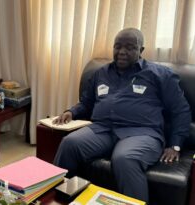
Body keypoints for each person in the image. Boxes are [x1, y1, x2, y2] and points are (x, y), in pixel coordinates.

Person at [53, 28, 191, 202]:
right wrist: (71, 112)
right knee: (69, 143)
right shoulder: (101, 73)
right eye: (117, 46)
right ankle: (57, 198)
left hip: (142, 133)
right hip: (102, 129)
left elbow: (181, 110)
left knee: (125, 158)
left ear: (141, 50)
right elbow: (87, 102)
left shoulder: (160, 74)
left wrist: (175, 145)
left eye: (130, 47)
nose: (122, 52)